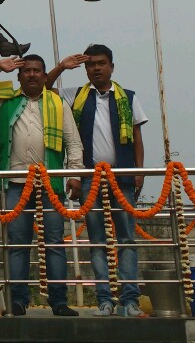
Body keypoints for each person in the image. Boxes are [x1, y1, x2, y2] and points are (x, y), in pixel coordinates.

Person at [0, 55, 84, 317]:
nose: (32, 75)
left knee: (54, 242)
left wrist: (76, 174)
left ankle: (59, 301)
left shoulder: (58, 103)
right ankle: (18, 300)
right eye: (27, 71)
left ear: (45, 77)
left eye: (37, 71)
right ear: (19, 77)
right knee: (18, 243)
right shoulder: (7, 101)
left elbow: (73, 143)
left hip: (50, 181)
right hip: (15, 183)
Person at [47, 45, 148, 317]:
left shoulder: (128, 97)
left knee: (126, 238)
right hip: (90, 177)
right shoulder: (75, 96)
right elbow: (42, 90)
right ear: (86, 69)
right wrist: (61, 67)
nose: (96, 68)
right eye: (91, 65)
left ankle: (130, 300)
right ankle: (105, 300)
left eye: (102, 63)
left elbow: (137, 138)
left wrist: (140, 171)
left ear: (112, 67)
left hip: (123, 177)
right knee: (97, 240)